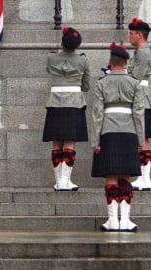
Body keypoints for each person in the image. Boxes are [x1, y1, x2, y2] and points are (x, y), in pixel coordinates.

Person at [91, 43, 145, 232]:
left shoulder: (101, 83)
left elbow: (97, 114)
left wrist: (95, 141)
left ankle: (113, 220)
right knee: (126, 176)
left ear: (110, 62)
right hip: (129, 132)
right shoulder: (135, 83)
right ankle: (126, 221)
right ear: (126, 62)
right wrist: (141, 140)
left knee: (111, 176)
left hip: (108, 132)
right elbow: (139, 113)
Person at [42, 26, 90, 191]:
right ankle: (65, 181)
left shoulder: (51, 58)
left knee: (57, 141)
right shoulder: (83, 60)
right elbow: (86, 85)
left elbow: (49, 70)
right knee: (70, 142)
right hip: (74, 103)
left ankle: (59, 181)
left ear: (62, 42)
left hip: (55, 103)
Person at [127, 18, 151, 191]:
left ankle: (145, 179)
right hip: (142, 97)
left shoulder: (143, 53)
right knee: (142, 138)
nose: (129, 37)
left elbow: (135, 77)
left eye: (131, 33)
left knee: (143, 138)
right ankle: (143, 178)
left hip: (141, 99)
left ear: (139, 34)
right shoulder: (141, 52)